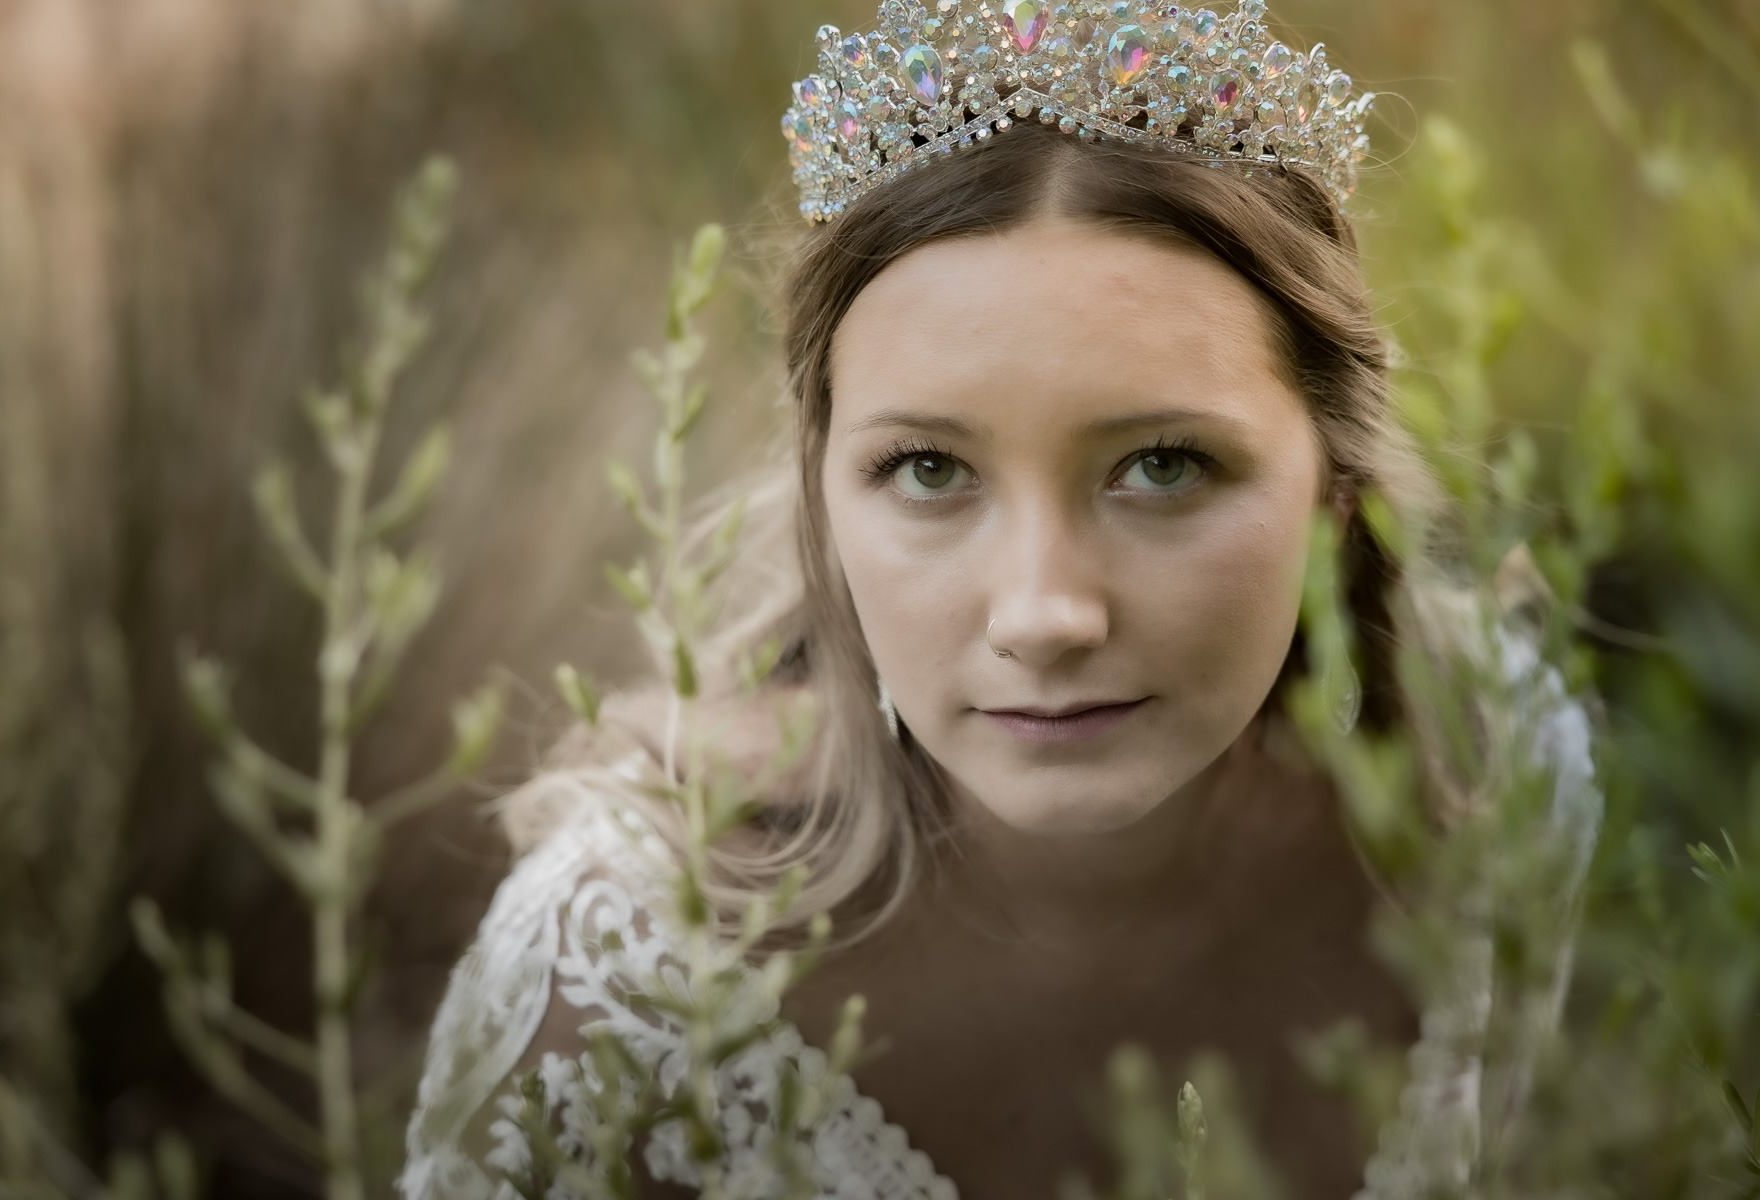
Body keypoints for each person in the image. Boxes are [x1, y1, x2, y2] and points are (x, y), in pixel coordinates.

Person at [403, 3, 1598, 1197]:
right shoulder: (621, 980)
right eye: (931, 470)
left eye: (1162, 466)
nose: (1042, 615)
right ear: (826, 500)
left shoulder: (1491, 770)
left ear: (1336, 496)